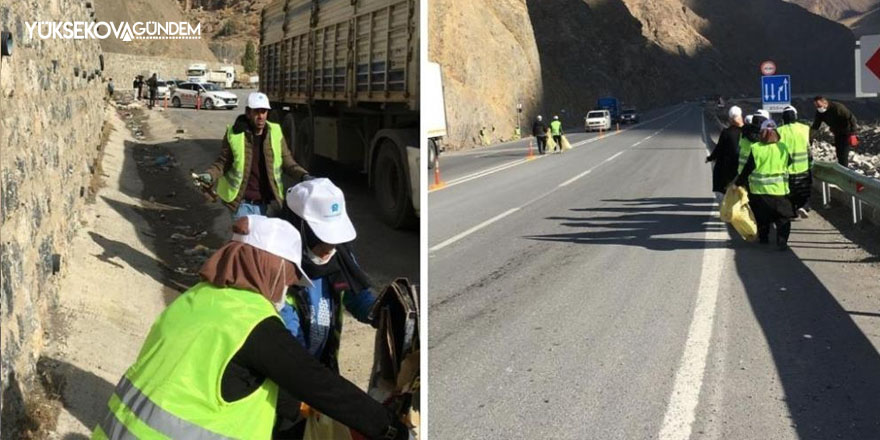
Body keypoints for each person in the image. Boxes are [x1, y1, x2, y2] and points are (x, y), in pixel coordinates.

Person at [91, 215, 409, 440]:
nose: (288, 285)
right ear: (267, 268)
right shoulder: (254, 323)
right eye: (287, 274)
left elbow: (230, 376)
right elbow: (317, 383)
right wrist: (388, 427)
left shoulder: (194, 299)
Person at [274, 179, 381, 436]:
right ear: (300, 228)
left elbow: (357, 296)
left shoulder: (339, 255)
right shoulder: (277, 266)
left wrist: (382, 310)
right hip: (284, 382)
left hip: (320, 372)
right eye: (324, 239)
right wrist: (307, 391)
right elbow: (284, 344)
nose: (330, 247)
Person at [197, 92, 310, 219]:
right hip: (241, 204)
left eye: (264, 112)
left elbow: (288, 161)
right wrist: (210, 175)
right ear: (248, 113)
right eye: (257, 112)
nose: (261, 116)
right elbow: (223, 162)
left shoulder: (275, 132)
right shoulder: (234, 134)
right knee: (246, 239)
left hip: (266, 204)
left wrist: (304, 175)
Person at [734, 120, 794, 250]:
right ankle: (782, 241)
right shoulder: (782, 147)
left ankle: (764, 238)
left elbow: (747, 169)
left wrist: (738, 183)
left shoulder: (755, 148)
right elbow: (790, 162)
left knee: (762, 217)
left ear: (761, 132)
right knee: (783, 217)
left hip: (759, 191)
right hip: (779, 191)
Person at [778, 105, 812, 218]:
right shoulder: (805, 128)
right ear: (795, 116)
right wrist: (811, 162)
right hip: (803, 168)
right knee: (804, 191)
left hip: (786, 169)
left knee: (789, 193)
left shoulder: (779, 131)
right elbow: (809, 148)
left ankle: (792, 211)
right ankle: (803, 207)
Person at [706, 105, 744, 196]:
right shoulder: (746, 131)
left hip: (729, 167)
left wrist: (710, 158)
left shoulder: (726, 133)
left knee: (728, 189)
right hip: (743, 165)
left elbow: (719, 148)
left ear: (730, 118)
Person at [811, 96, 858, 166]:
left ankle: (844, 169)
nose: (818, 108)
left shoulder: (837, 107)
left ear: (825, 103)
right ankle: (841, 167)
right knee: (839, 152)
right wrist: (810, 136)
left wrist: (853, 134)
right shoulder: (820, 112)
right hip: (837, 132)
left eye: (819, 105)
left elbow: (851, 118)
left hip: (847, 132)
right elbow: (816, 125)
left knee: (843, 153)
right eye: (816, 106)